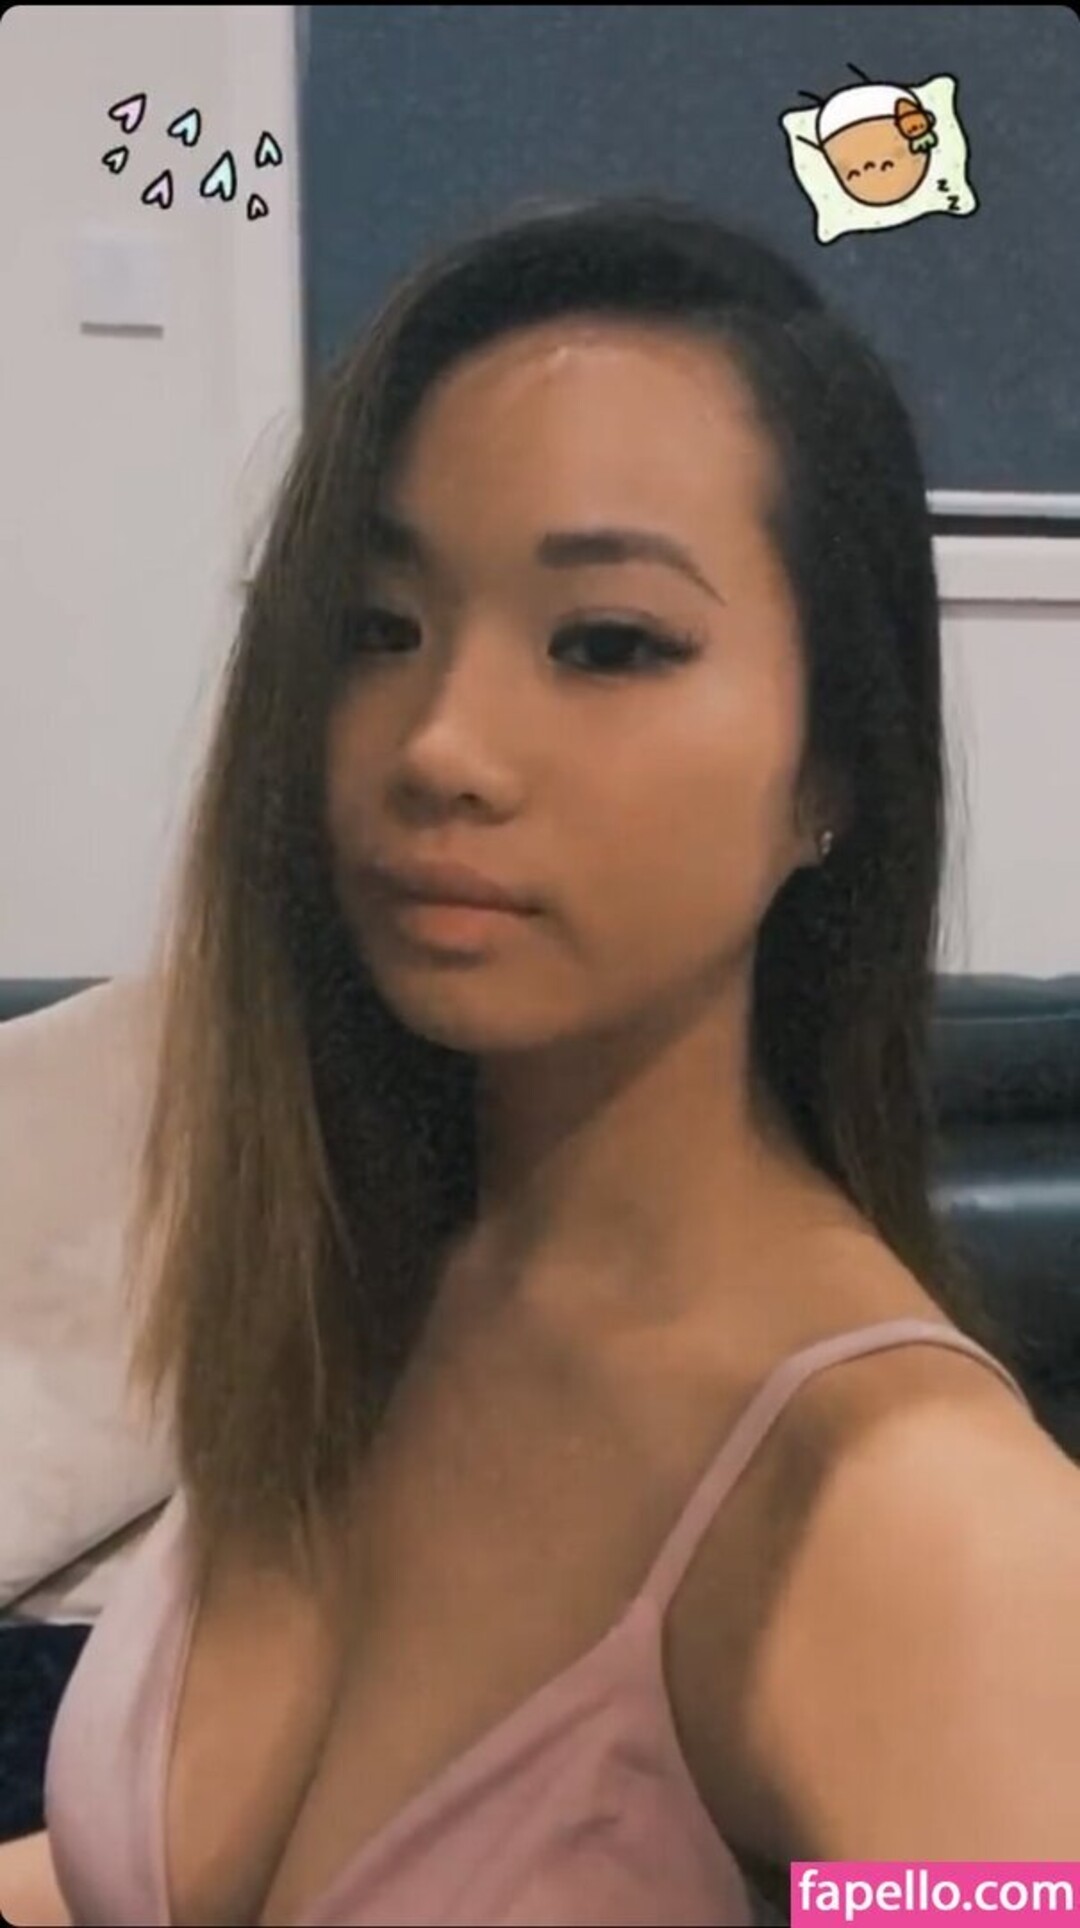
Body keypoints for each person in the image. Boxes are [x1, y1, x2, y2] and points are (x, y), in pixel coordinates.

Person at [12, 195, 1079, 1928]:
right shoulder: (367, 1279)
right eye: (378, 628)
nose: (442, 746)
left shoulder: (925, 1539)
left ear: (833, 769)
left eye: (609, 644)